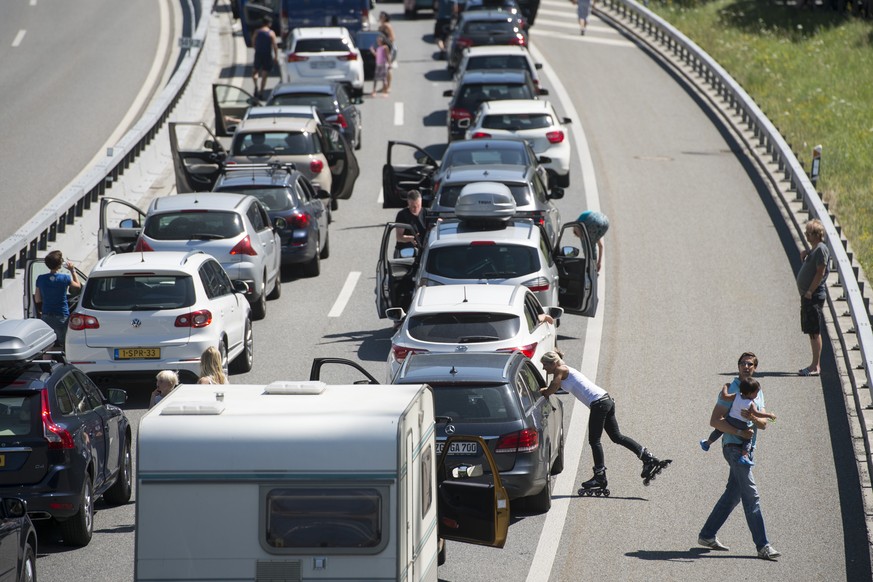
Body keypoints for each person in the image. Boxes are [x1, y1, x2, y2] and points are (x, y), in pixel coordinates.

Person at [539, 349, 669, 491]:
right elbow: (559, 387)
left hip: (599, 403)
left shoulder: (560, 369)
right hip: (606, 400)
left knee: (594, 440)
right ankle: (647, 458)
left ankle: (599, 476)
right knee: (617, 437)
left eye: (545, 365)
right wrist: (548, 389)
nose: (543, 368)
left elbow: (553, 387)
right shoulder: (564, 370)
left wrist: (543, 392)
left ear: (553, 363)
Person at [698, 352, 781, 561]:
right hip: (733, 448)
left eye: (750, 364)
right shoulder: (732, 390)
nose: (746, 366)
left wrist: (754, 416)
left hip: (747, 449)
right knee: (751, 496)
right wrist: (739, 432)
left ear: (755, 368)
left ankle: (707, 535)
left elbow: (763, 425)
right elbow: (715, 421)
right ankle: (763, 546)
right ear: (738, 366)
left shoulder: (756, 390)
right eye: (743, 363)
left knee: (733, 494)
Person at [700, 378, 776, 466]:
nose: (757, 394)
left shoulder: (736, 396)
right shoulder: (751, 403)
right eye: (756, 392)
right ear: (750, 393)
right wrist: (769, 415)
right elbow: (757, 414)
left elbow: (724, 396)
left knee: (718, 430)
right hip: (742, 424)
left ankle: (707, 443)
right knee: (748, 438)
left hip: (730, 420)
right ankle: (744, 456)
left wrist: (725, 386)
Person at [797, 218, 828, 376]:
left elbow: (820, 272)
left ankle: (815, 366)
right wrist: (806, 254)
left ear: (815, 234)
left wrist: (810, 290)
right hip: (808, 295)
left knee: (814, 331)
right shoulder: (816, 249)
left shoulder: (821, 249)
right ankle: (814, 364)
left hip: (813, 295)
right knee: (811, 330)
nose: (806, 236)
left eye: (808, 233)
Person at [34, 250, 81, 348]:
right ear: (60, 265)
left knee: (47, 344)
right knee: (65, 343)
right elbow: (78, 286)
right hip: (61, 315)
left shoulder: (41, 278)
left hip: (46, 315)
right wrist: (72, 271)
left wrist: (41, 311)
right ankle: (64, 361)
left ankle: (46, 362)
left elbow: (37, 299)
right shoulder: (65, 278)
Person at [251, 16, 279, 100]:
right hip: (267, 55)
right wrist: (276, 57)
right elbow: (275, 46)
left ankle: (256, 86)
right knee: (264, 74)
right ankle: (261, 92)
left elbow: (253, 42)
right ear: (269, 23)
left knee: (255, 71)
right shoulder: (271, 33)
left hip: (258, 54)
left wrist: (256, 48)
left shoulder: (257, 32)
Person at [394, 190, 428, 258]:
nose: (416, 209)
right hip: (405, 252)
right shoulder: (402, 215)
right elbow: (399, 237)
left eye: (418, 206)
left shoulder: (426, 213)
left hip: (423, 251)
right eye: (413, 206)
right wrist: (411, 239)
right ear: (408, 203)